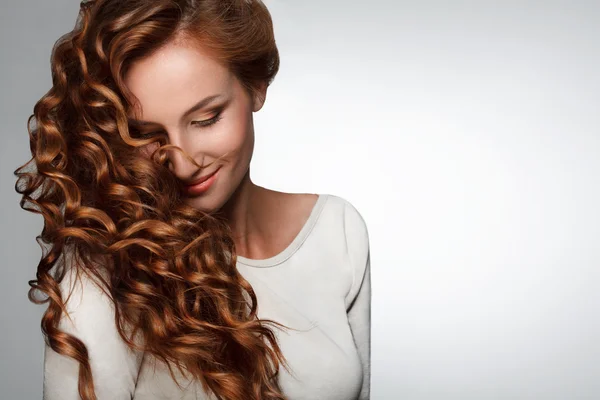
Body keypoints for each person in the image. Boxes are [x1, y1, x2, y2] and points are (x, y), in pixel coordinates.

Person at [14, 0, 371, 399]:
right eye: (147, 135)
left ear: (255, 86)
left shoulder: (336, 231)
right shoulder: (105, 271)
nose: (182, 164)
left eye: (206, 118)